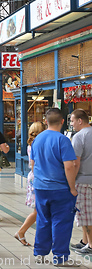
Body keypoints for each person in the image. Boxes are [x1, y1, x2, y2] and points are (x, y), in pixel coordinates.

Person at [31, 108, 78, 266]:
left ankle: (40, 254)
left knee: (43, 219)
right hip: (59, 189)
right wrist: (72, 188)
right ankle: (60, 257)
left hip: (40, 187)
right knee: (61, 222)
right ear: (62, 121)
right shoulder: (63, 140)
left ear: (46, 121)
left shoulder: (37, 139)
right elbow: (69, 167)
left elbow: (33, 164)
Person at [14, 121, 45, 246]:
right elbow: (34, 164)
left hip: (34, 177)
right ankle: (21, 232)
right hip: (38, 177)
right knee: (38, 210)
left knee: (39, 210)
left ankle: (21, 232)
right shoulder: (38, 145)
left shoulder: (31, 144)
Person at [69, 109, 92, 255]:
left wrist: (71, 183)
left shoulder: (79, 137)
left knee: (84, 213)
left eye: (72, 121)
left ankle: (90, 245)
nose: (71, 124)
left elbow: (75, 163)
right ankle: (85, 241)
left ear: (80, 121)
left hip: (83, 181)